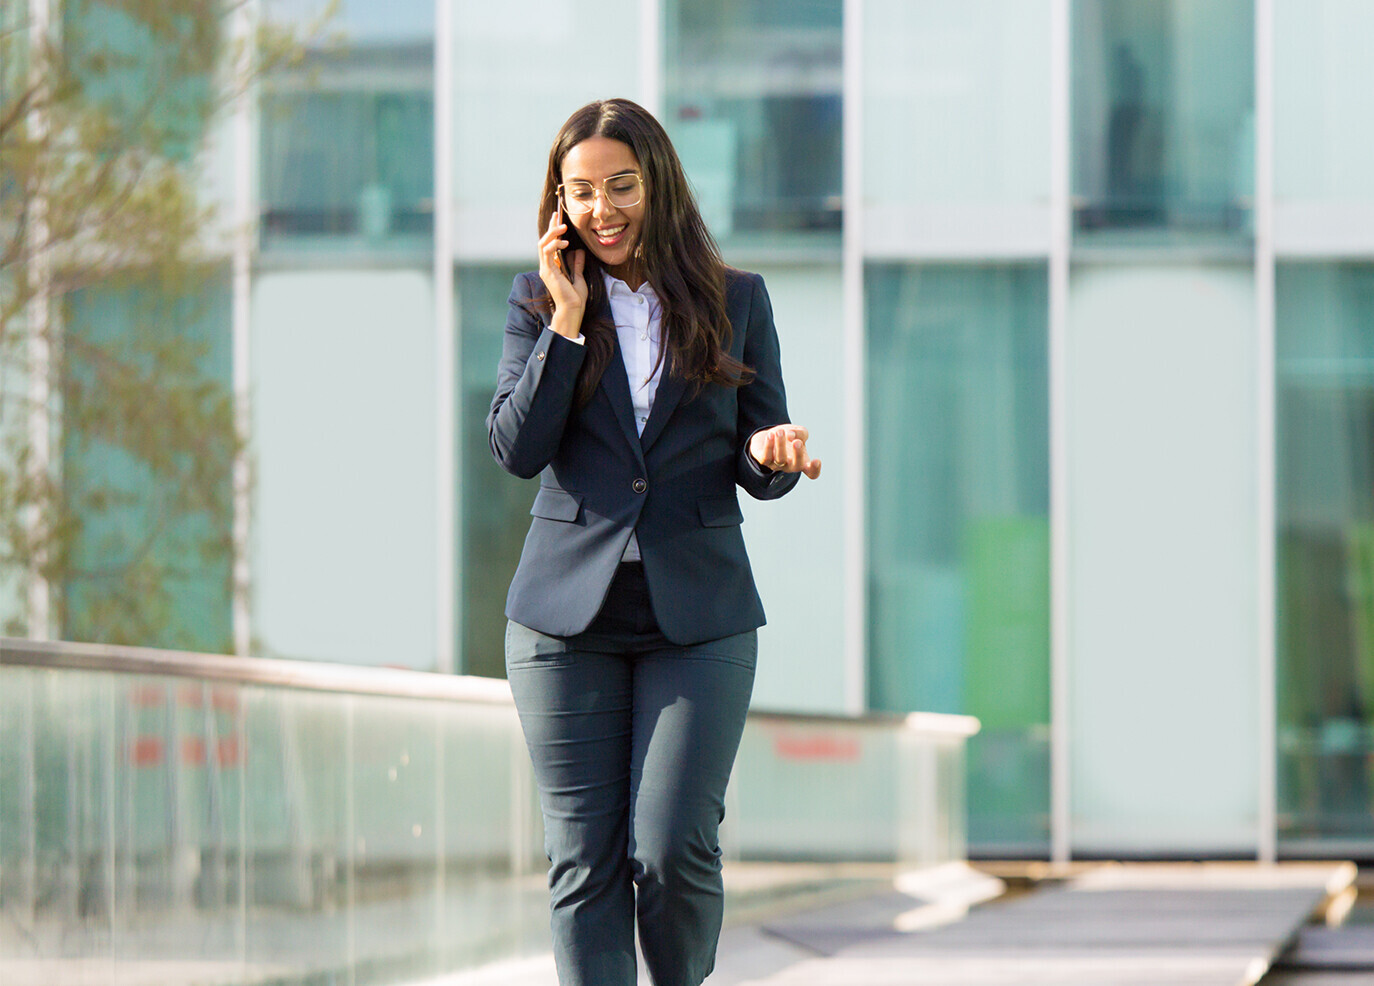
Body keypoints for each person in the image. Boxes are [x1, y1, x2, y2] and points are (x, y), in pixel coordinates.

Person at [486, 97, 820, 986]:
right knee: (584, 864)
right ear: (560, 204)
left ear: (659, 183)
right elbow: (517, 451)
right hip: (564, 623)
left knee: (672, 850)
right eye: (582, 192)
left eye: (621, 186)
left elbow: (764, 448)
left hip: (698, 613)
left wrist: (770, 452)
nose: (603, 210)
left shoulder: (736, 299)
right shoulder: (535, 302)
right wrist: (563, 320)